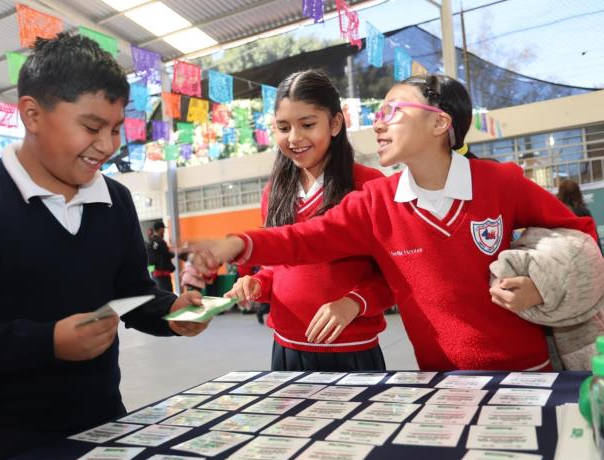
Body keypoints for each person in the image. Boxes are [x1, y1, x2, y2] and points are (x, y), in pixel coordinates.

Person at [0, 33, 208, 460]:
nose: (107, 144)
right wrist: (48, 341)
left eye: (115, 128)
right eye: (91, 127)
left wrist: (173, 312)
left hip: (105, 429)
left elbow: (129, 292)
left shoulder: (114, 200)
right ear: (32, 114)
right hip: (8, 444)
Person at [190, 73, 599, 372]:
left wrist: (543, 285)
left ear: (440, 123)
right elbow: (306, 239)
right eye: (378, 112)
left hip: (527, 370)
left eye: (392, 111)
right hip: (438, 378)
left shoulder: (498, 181)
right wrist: (239, 246)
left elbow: (579, 233)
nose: (378, 122)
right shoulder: (376, 201)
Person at [224, 70, 393, 371]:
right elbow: (277, 267)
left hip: (352, 350)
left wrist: (353, 303)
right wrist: (255, 283)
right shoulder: (273, 192)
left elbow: (395, 274)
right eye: (284, 127)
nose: (295, 138)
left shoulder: (370, 187)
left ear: (335, 123)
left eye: (308, 124)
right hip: (286, 349)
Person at [558, 179, 602, 252]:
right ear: (578, 193)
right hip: (585, 252)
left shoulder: (557, 213)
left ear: (560, 193)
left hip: (564, 253)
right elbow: (594, 237)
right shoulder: (583, 212)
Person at [148, 220, 176, 291]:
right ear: (160, 229)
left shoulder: (150, 243)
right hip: (164, 273)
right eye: (163, 229)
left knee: (162, 293)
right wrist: (173, 252)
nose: (164, 231)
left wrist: (152, 273)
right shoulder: (160, 242)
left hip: (156, 274)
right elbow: (168, 254)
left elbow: (149, 259)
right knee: (168, 294)